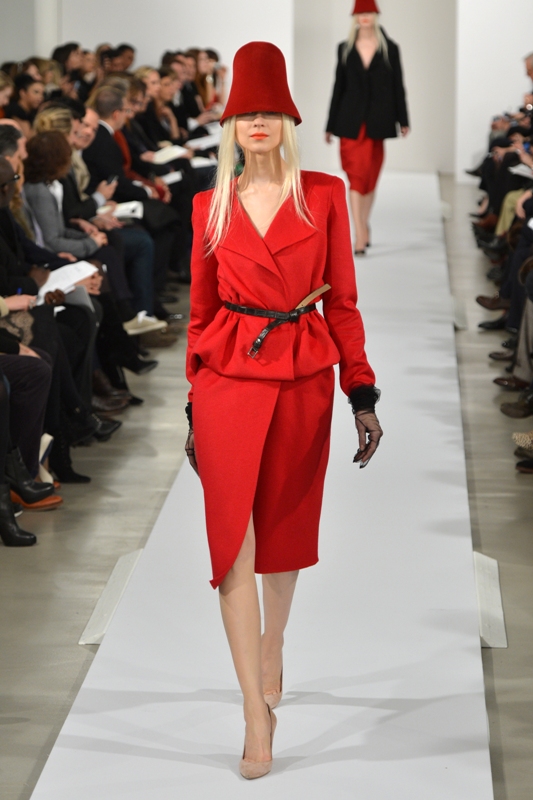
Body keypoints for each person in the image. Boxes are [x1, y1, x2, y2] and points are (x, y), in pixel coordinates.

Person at [185, 41, 382, 779]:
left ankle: (273, 645)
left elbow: (343, 302)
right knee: (230, 543)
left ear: (288, 120)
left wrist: (360, 391)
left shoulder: (323, 195)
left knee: (284, 530)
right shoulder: (209, 204)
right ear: (230, 125)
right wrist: (191, 401)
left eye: (269, 111)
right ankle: (253, 711)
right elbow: (199, 314)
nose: (257, 123)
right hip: (228, 378)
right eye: (245, 113)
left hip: (302, 374)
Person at [325, 0, 409, 254]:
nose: (364, 17)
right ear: (354, 16)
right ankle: (359, 232)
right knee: (356, 177)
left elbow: (398, 86)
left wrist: (404, 119)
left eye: (368, 12)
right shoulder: (344, 48)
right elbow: (338, 87)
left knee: (370, 179)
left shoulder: (390, 48)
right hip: (349, 123)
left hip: (377, 123)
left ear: (375, 15)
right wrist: (330, 124)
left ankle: (363, 223)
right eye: (360, 12)